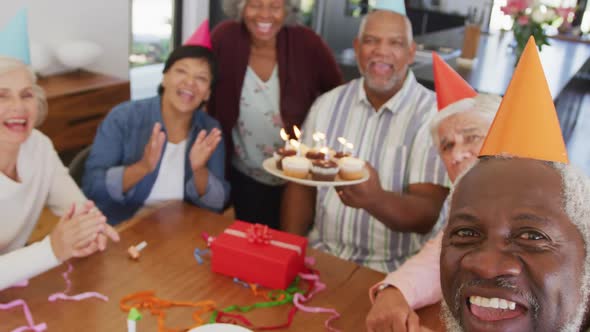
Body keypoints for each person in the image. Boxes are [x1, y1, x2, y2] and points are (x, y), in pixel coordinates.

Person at [366, 53, 501, 331]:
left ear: (502, 133)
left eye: (472, 137)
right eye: (447, 146)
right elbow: (439, 257)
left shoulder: (547, 195)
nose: (457, 154)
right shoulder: (470, 200)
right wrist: (393, 292)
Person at [208, 0, 343, 229]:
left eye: (275, 6)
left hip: (299, 178)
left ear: (287, 10)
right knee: (255, 246)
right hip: (245, 176)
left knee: (293, 245)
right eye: (255, 5)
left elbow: (338, 94)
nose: (264, 15)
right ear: (240, 7)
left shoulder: (308, 43)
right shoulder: (224, 37)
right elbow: (200, 76)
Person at [83, 24, 229, 225]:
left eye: (201, 78)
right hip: (122, 229)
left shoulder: (210, 131)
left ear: (208, 93)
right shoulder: (123, 118)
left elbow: (216, 204)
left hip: (180, 233)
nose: (190, 82)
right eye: (181, 71)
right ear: (164, 78)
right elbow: (92, 187)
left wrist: (199, 170)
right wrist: (143, 167)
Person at [0, 55, 119, 291]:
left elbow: (77, 208)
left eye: (26, 95)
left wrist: (90, 230)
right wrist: (52, 249)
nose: (19, 106)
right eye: (2, 96)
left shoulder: (39, 146)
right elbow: (53, 250)